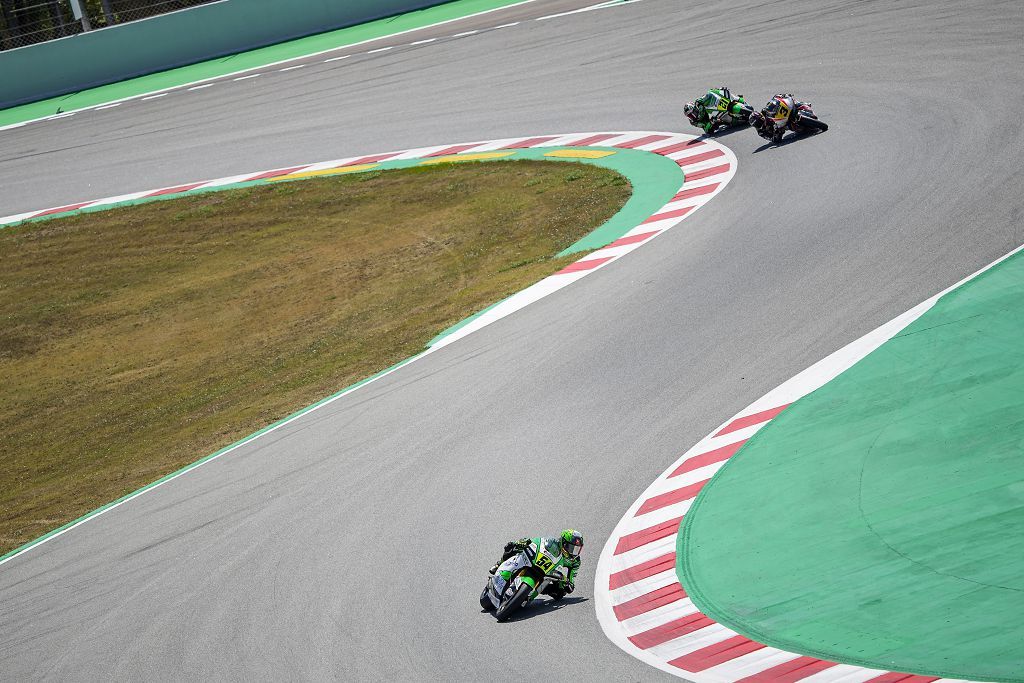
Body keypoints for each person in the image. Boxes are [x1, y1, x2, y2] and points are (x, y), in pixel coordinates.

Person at [489, 529, 583, 600]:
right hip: (539, 562)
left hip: (552, 572)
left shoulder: (575, 562)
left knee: (560, 593)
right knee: (512, 547)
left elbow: (571, 586)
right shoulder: (553, 543)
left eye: (576, 549)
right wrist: (526, 542)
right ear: (563, 543)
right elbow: (538, 542)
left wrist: (565, 581)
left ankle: (533, 591)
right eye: (571, 548)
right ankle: (498, 564)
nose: (573, 552)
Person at [684, 86, 748, 134]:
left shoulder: (699, 105)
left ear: (695, 108)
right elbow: (705, 128)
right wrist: (711, 123)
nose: (693, 116)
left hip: (714, 109)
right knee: (709, 130)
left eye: (692, 113)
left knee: (727, 95)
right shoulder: (694, 122)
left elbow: (707, 96)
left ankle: (738, 99)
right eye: (690, 116)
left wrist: (717, 90)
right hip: (711, 121)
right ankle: (727, 121)